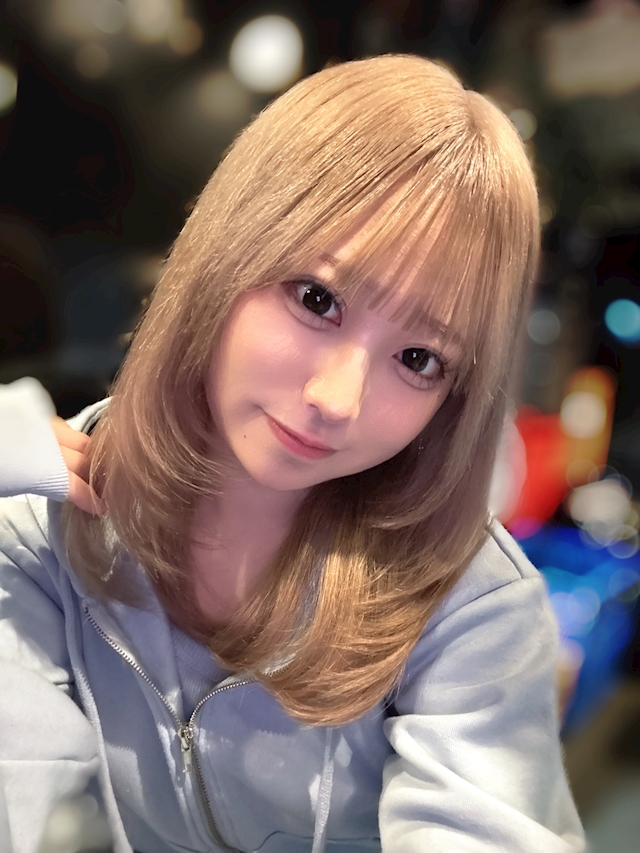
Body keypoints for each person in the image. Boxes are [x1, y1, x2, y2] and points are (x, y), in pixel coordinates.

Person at [0, 54, 586, 853]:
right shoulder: (41, 519)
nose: (338, 398)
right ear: (228, 252)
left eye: (419, 359)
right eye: (318, 299)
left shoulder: (472, 609)